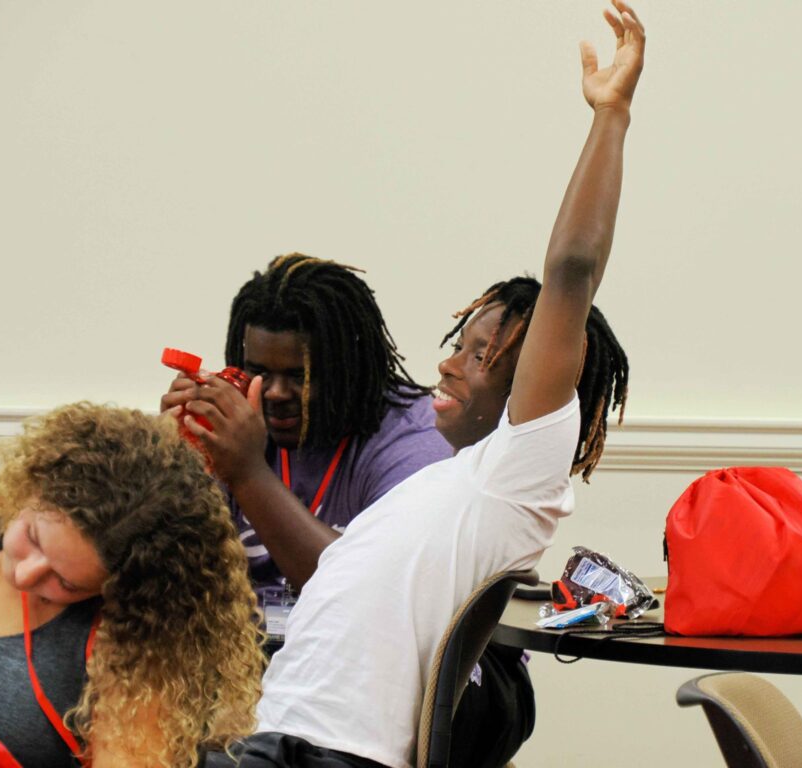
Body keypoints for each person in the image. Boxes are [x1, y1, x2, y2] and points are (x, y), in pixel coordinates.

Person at [210, 1, 645, 765]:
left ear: (535, 392)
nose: (449, 362)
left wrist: (610, 116)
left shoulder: (519, 471)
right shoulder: (438, 484)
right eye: (459, 342)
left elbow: (571, 270)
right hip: (275, 739)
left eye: (482, 356)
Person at [163, 256, 534, 765]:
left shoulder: (416, 439)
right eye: (258, 371)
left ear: (350, 368)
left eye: (300, 375)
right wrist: (175, 463)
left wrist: (248, 474)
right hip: (260, 672)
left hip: (390, 683)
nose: (274, 394)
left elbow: (372, 599)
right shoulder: (233, 427)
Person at [0, 403, 265, 768]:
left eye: (66, 582)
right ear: (31, 488)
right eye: (33, 537)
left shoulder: (135, 652)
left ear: (116, 588)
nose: (24, 576)